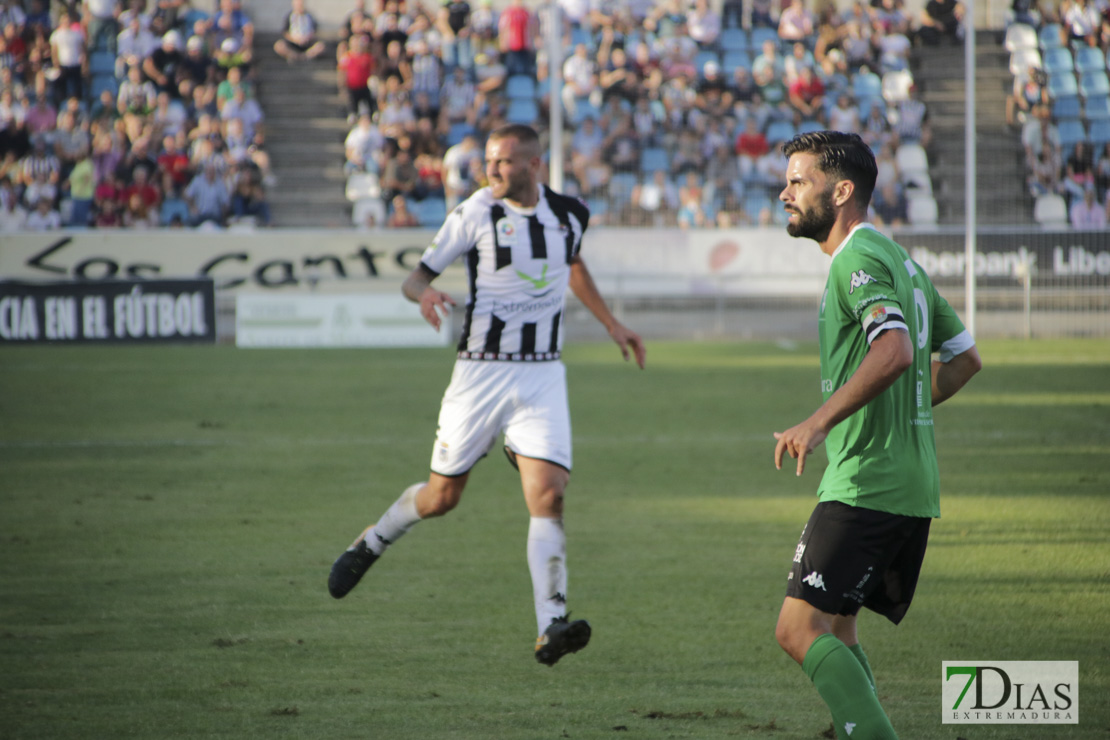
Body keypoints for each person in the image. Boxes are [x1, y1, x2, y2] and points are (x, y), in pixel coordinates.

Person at [328, 124, 646, 667]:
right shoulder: (474, 213)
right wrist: (424, 292)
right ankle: (374, 539)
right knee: (441, 499)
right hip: (480, 375)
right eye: (489, 162)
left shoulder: (570, 214)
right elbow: (413, 279)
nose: (491, 171)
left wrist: (612, 324)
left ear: (533, 165)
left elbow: (572, 264)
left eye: (502, 162)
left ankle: (551, 625)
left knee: (549, 493)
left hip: (542, 375)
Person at [772, 131, 982, 739]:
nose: (785, 192)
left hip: (867, 483)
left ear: (841, 191)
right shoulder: (903, 263)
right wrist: (909, 407)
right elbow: (964, 360)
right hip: (911, 483)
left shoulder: (858, 260)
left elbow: (892, 351)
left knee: (797, 629)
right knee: (837, 627)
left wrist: (819, 422)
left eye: (798, 180)